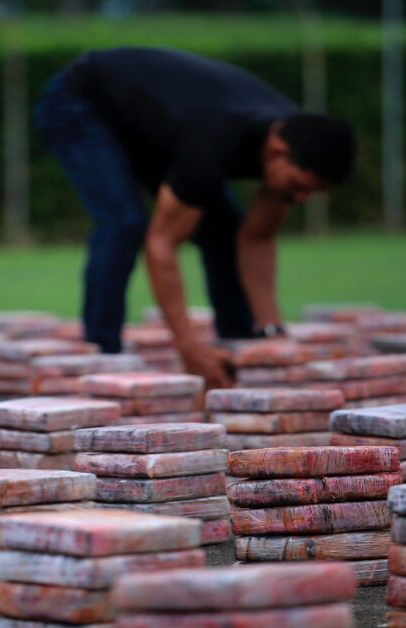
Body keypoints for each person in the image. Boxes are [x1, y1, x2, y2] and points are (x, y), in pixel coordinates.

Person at [36, 47, 355, 389]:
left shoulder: (298, 136)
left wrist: (271, 334)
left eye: (311, 193)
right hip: (81, 100)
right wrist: (188, 346)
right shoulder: (214, 145)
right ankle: (103, 356)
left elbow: (256, 238)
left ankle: (238, 348)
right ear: (276, 151)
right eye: (299, 186)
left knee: (225, 230)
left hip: (153, 120)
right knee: (124, 222)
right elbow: (161, 245)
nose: (301, 198)